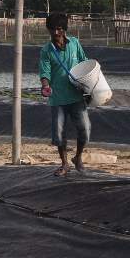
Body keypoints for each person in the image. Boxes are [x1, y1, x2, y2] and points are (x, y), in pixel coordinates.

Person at [39, 12, 90, 176]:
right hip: (58, 98)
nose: (55, 33)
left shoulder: (75, 44)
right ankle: (65, 163)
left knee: (85, 130)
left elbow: (85, 63)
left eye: (59, 29)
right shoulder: (47, 50)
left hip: (76, 96)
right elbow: (45, 71)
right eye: (52, 29)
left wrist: (90, 83)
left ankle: (78, 157)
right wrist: (45, 86)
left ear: (65, 30)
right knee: (59, 133)